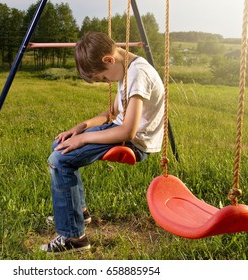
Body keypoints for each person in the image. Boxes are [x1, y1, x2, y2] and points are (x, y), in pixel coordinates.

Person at [40, 32, 165, 254]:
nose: (107, 82)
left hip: (134, 141)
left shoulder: (138, 73)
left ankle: (73, 237)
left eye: (103, 78)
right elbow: (113, 112)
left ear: (109, 60)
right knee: (59, 145)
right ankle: (78, 212)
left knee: (59, 159)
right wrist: (82, 127)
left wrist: (84, 139)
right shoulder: (127, 68)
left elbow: (127, 130)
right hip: (119, 130)